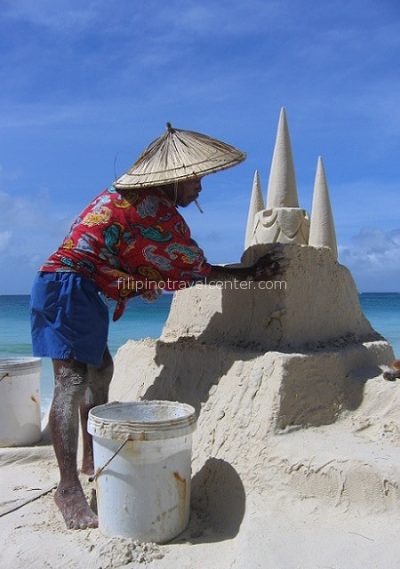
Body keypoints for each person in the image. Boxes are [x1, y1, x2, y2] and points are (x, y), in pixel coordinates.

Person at [30, 126, 285, 530]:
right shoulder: (156, 211)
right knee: (71, 381)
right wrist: (250, 273)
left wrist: (135, 283)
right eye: (197, 180)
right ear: (177, 180)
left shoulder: (134, 201)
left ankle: (91, 457)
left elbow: (119, 255)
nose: (200, 189)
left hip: (74, 286)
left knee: (102, 369)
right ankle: (67, 490)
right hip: (67, 286)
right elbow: (192, 268)